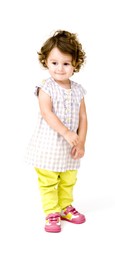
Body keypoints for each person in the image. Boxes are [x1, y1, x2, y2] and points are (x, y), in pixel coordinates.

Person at [25, 30, 87, 233]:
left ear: (75, 64)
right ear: (46, 62)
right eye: (54, 63)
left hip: (69, 149)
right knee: (49, 181)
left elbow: (83, 117)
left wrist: (81, 142)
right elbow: (46, 112)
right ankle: (51, 211)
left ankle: (65, 207)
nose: (60, 69)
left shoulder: (78, 90)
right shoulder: (45, 87)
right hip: (48, 146)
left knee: (69, 180)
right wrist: (67, 133)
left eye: (66, 63)